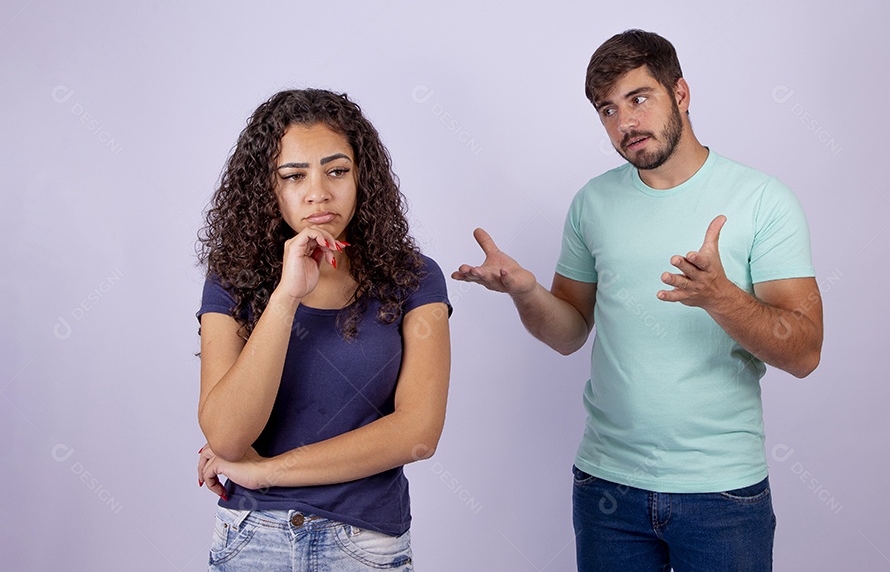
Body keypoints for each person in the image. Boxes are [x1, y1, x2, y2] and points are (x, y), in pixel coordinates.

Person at [454, 30, 822, 572]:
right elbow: (569, 332)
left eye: (638, 98)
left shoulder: (763, 200)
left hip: (722, 494)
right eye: (607, 109)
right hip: (607, 489)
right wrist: (525, 292)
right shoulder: (593, 203)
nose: (625, 122)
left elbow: (805, 353)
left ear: (681, 94)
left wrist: (720, 297)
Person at [195, 89, 451, 572]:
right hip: (252, 539)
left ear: (362, 178)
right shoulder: (232, 279)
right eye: (294, 176)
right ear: (267, 189)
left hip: (365, 543)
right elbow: (227, 437)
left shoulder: (414, 278)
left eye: (337, 171)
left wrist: (267, 471)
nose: (318, 192)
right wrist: (286, 296)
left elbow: (418, 432)